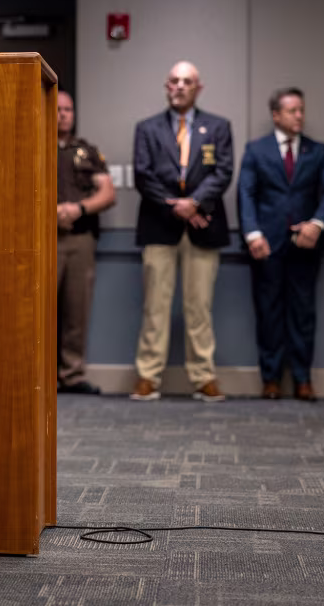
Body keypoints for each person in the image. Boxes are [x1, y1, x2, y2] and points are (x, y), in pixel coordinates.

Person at [130, 61, 233, 403]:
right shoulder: (147, 128)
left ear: (198, 88)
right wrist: (175, 206)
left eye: (187, 81)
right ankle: (148, 376)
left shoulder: (218, 127)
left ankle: (203, 377)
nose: (180, 86)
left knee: (199, 307)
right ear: (166, 85)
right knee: (155, 307)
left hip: (204, 227)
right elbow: (143, 175)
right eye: (174, 80)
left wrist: (195, 203)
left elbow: (223, 172)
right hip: (159, 226)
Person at [238, 87, 324, 402]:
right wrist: (253, 234)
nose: (299, 116)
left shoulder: (317, 151)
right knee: (268, 312)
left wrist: (317, 224)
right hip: (266, 245)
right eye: (293, 111)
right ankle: (271, 379)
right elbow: (246, 194)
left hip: (305, 244)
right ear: (276, 115)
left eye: (301, 110)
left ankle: (302, 379)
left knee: (303, 313)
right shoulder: (256, 150)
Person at [56, 91, 116, 395]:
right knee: (38, 311)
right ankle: (37, 376)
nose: (63, 114)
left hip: (80, 239)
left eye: (68, 109)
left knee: (76, 309)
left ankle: (72, 374)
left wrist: (78, 209)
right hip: (41, 239)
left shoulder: (86, 151)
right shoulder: (30, 144)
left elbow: (108, 193)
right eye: (57, 109)